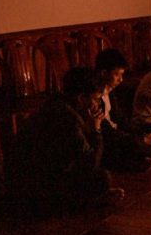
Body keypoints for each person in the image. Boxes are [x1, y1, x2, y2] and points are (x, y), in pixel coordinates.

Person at [8, 67, 123, 215]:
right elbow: (91, 163)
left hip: (38, 179)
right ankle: (84, 202)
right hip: (34, 188)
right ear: (81, 98)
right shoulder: (67, 117)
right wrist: (96, 129)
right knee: (102, 177)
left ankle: (88, 198)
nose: (97, 104)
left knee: (99, 174)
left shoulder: (60, 104)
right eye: (95, 99)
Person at [95, 48, 151, 171]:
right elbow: (107, 131)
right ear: (103, 73)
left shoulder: (109, 91)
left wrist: (143, 135)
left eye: (122, 75)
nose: (121, 79)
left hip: (118, 133)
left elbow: (120, 119)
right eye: (117, 75)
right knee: (123, 148)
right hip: (107, 138)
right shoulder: (93, 96)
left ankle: (148, 154)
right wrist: (140, 140)